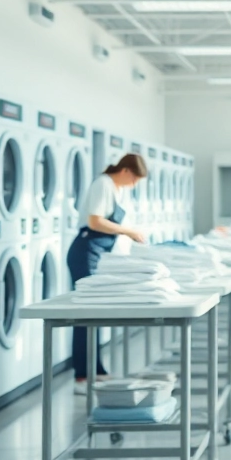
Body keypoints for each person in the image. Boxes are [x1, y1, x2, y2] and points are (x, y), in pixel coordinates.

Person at [66, 153, 148, 392]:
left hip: (97, 254)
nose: (133, 184)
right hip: (85, 252)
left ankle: (97, 370)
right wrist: (128, 231)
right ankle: (81, 376)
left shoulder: (116, 189)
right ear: (125, 171)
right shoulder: (103, 184)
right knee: (84, 314)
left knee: (95, 313)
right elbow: (95, 221)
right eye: (134, 179)